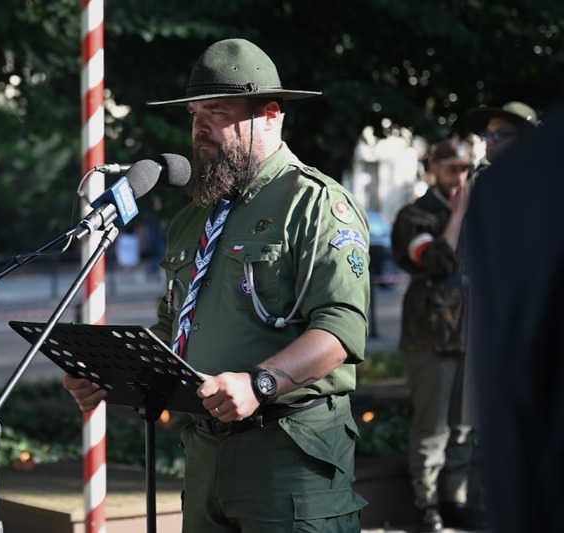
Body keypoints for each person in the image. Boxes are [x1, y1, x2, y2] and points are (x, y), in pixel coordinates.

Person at [63, 38, 371, 532]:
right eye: (194, 113)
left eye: (217, 112)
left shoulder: (313, 203)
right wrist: (112, 376)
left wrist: (261, 382)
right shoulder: (193, 219)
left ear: (269, 114)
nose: (198, 127)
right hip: (204, 452)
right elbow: (174, 330)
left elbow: (340, 329)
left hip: (289, 456)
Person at [464, 104, 562, 533]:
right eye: (486, 137)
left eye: (499, 136)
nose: (488, 146)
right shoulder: (497, 191)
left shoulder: (524, 185)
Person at [390, 139, 487, 532]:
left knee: (463, 426)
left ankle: (455, 499)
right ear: (434, 169)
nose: (460, 178)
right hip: (430, 335)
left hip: (470, 333)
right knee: (432, 427)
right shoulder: (415, 215)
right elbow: (436, 259)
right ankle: (426, 502)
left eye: (465, 170)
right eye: (452, 170)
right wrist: (459, 213)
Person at [463, 100, 540, 178]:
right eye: (487, 134)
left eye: (502, 134)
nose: (489, 141)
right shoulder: (482, 180)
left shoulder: (542, 182)